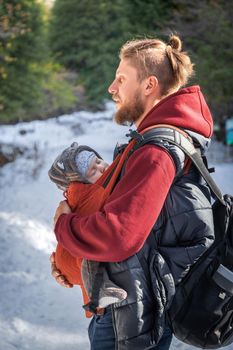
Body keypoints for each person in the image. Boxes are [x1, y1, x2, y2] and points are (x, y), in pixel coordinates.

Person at [50, 34, 214, 350]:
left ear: (149, 85)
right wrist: (69, 261)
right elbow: (141, 229)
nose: (112, 88)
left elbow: (119, 236)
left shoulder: (156, 151)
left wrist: (63, 224)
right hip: (129, 309)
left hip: (129, 321)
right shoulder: (153, 141)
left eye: (121, 79)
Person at [48, 142, 128, 314]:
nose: (102, 167)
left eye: (99, 160)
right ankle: (98, 291)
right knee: (88, 239)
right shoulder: (85, 195)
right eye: (93, 170)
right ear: (81, 182)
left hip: (69, 265)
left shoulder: (100, 189)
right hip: (70, 262)